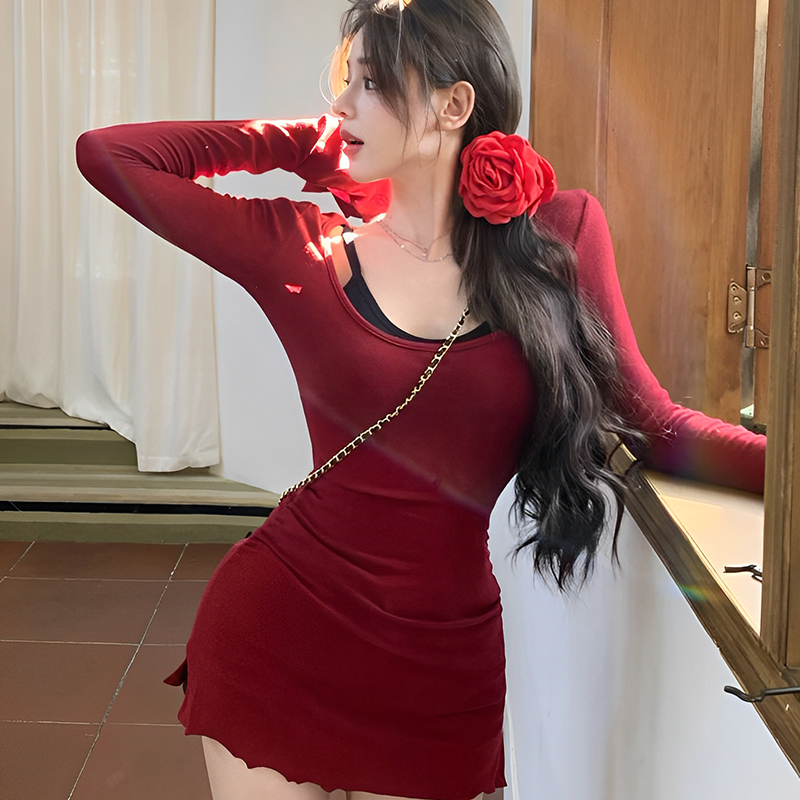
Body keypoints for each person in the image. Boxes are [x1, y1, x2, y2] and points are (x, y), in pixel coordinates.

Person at [76, 1, 765, 798]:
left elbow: (655, 424)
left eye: (370, 84)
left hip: (441, 665)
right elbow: (110, 156)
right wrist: (302, 142)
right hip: (280, 629)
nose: (341, 104)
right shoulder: (303, 249)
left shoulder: (558, 236)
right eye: (345, 83)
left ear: (455, 103)